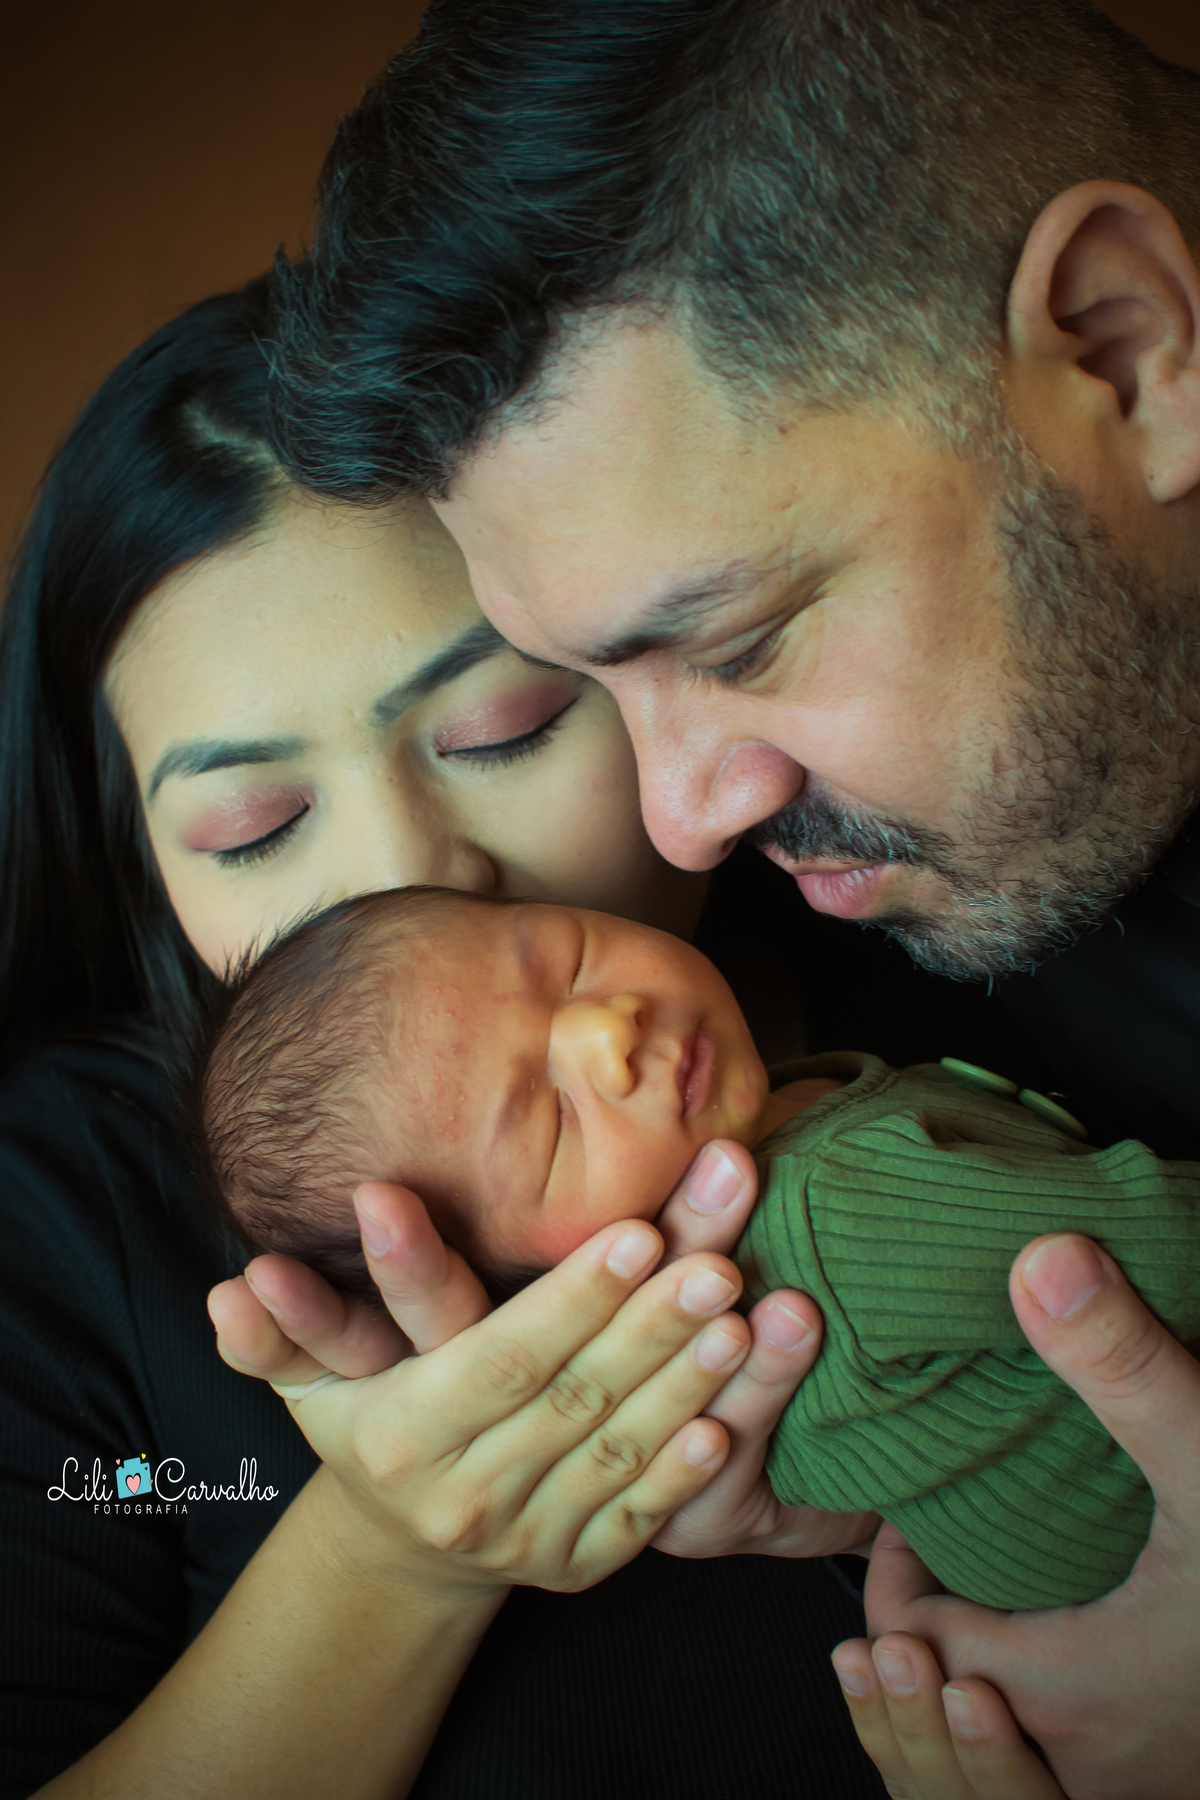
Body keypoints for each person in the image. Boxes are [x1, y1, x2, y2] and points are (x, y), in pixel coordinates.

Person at [261, 0, 1200, 1792]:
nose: (681, 826)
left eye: (744, 638)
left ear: (1127, 348)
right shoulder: (905, 910)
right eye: (586, 692)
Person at [0, 276, 894, 1799]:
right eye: (255, 824)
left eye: (499, 733)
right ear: (145, 866)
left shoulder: (936, 916)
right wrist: (390, 1555)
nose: (412, 873)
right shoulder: (66, 1204)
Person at [199, 882, 1200, 1613]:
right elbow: (1163, 1246)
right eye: (550, 1120)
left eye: (566, 956)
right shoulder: (834, 1205)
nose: (608, 1031)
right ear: (550, 1299)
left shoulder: (778, 1123)